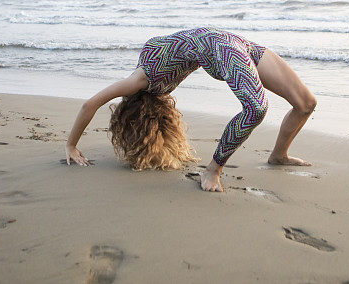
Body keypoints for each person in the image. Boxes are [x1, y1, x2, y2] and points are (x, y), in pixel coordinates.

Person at [65, 27, 317, 192]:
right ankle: (213, 169)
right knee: (256, 108)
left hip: (231, 44)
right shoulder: (144, 78)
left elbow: (91, 103)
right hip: (221, 45)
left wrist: (71, 145)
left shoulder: (137, 82)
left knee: (305, 104)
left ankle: (278, 156)